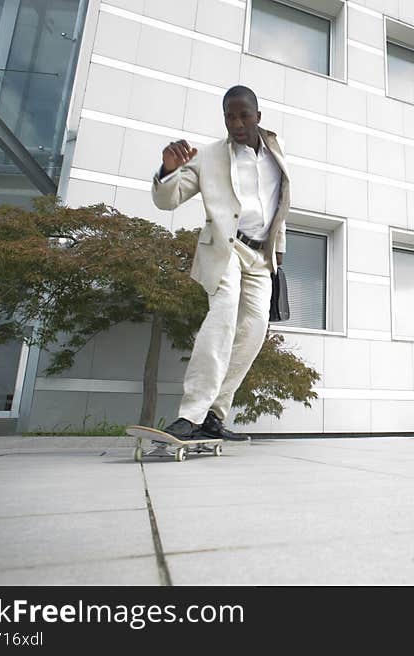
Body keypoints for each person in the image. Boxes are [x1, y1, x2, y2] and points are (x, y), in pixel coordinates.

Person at [151, 85, 289, 441]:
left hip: (261, 257)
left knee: (254, 330)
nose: (237, 122)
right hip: (225, 248)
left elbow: (280, 207)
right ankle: (190, 415)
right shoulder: (209, 156)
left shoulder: (276, 150)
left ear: (258, 116)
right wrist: (168, 170)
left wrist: (278, 257)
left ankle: (215, 413)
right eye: (230, 116)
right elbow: (169, 200)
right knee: (224, 313)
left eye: (244, 115)